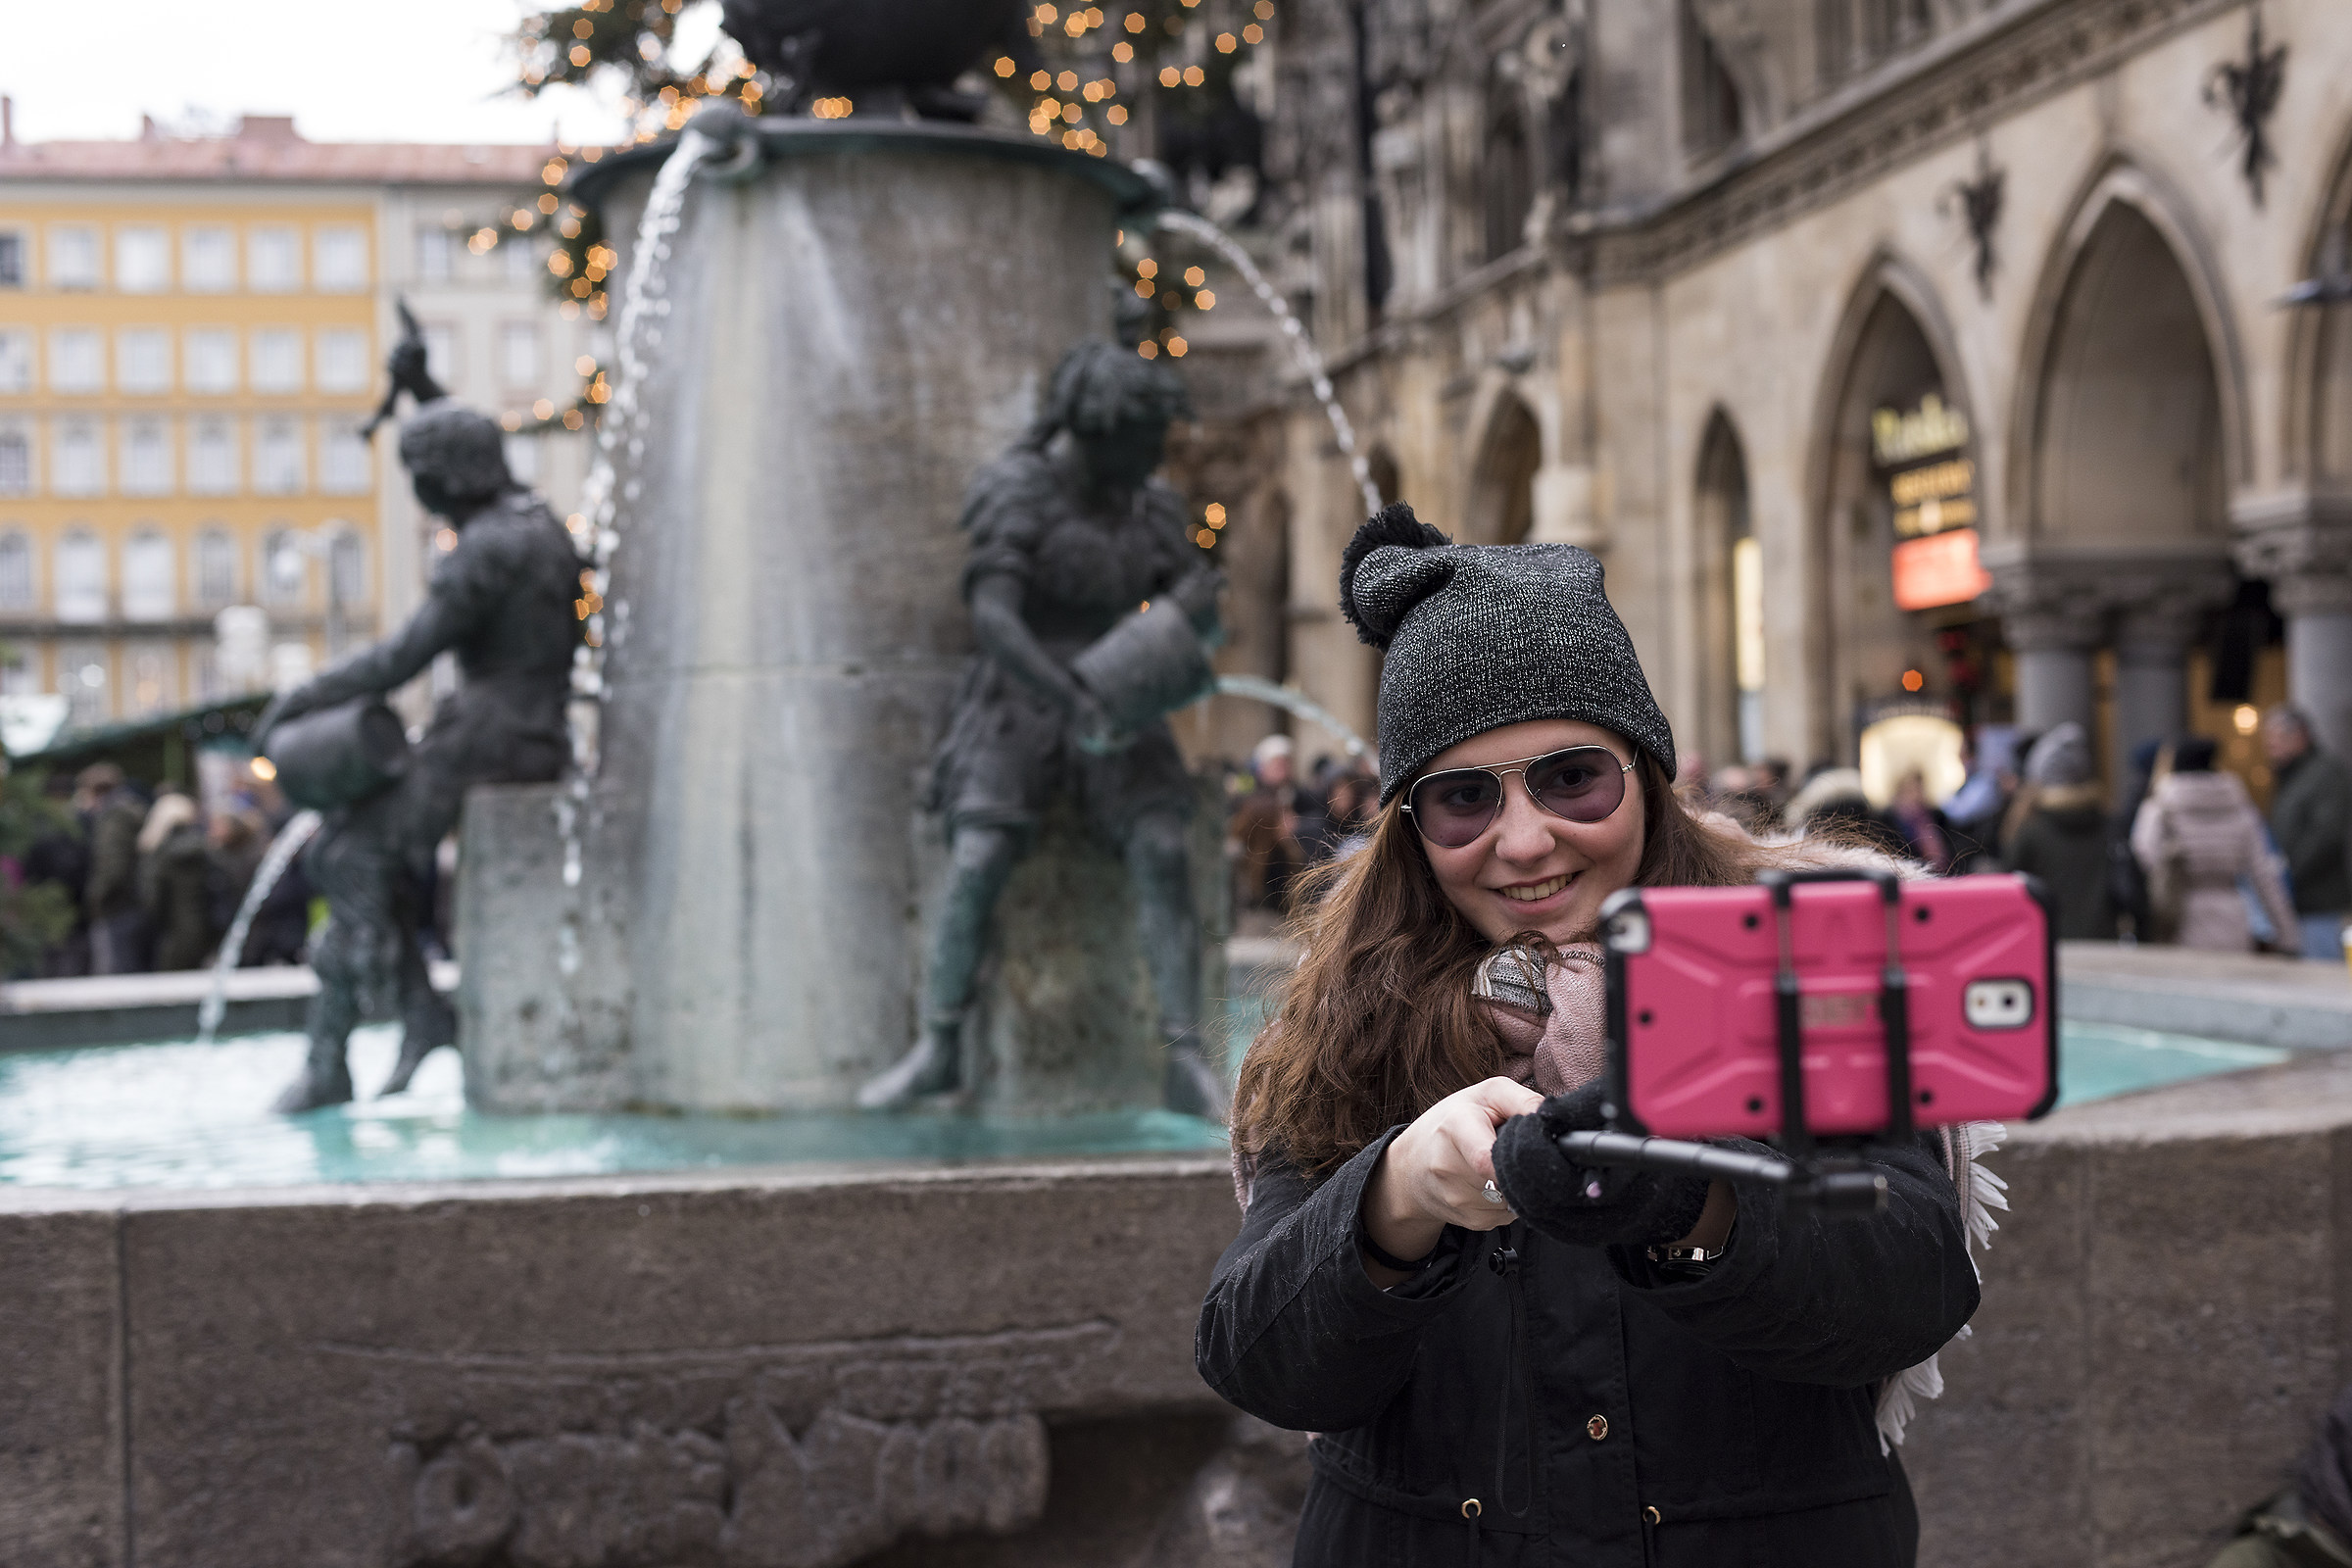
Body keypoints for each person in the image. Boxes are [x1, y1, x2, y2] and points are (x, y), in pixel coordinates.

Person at [1200, 507, 1992, 1566]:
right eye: (1464, 799)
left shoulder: (1807, 963)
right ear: (1413, 830)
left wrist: (1694, 1199)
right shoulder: (1350, 1013)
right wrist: (1395, 1199)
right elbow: (1257, 1360)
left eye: (1573, 777)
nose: (1526, 841)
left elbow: (1912, 1285)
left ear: (1646, 776)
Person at [254, 394, 580, 1111]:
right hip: (534, 731)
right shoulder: (540, 526)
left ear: (447, 473)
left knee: (345, 853)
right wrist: (428, 388)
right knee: (364, 852)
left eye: (422, 473)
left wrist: (299, 698)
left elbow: (403, 656)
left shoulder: (485, 548)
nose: (419, 491)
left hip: (489, 737)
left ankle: (334, 1058)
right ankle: (416, 1013)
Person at [2132, 737, 2297, 953]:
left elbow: (2144, 857)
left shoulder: (2160, 809)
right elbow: (2264, 875)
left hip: (2179, 915)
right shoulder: (2239, 809)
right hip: (2232, 916)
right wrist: (2287, 935)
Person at [2003, 722, 2117, 940]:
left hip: (2047, 941)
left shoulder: (2030, 830)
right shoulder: (2107, 824)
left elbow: (2010, 889)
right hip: (2104, 941)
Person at [2264, 707, 2351, 960]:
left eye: (2278, 739)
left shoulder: (2325, 773)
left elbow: (2327, 834)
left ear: (2300, 736)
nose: (2272, 748)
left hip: (2320, 901)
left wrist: (2288, 873)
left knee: (2320, 969)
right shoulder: (2290, 775)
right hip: (2293, 901)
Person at [75, 763, 152, 974]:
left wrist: (94, 899)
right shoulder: (131, 808)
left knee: (116, 974)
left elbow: (113, 867)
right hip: (133, 904)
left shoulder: (114, 818)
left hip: (117, 908)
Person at [137, 791, 218, 972]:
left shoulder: (162, 853)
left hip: (172, 930)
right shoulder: (202, 847)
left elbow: (153, 896)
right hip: (203, 928)